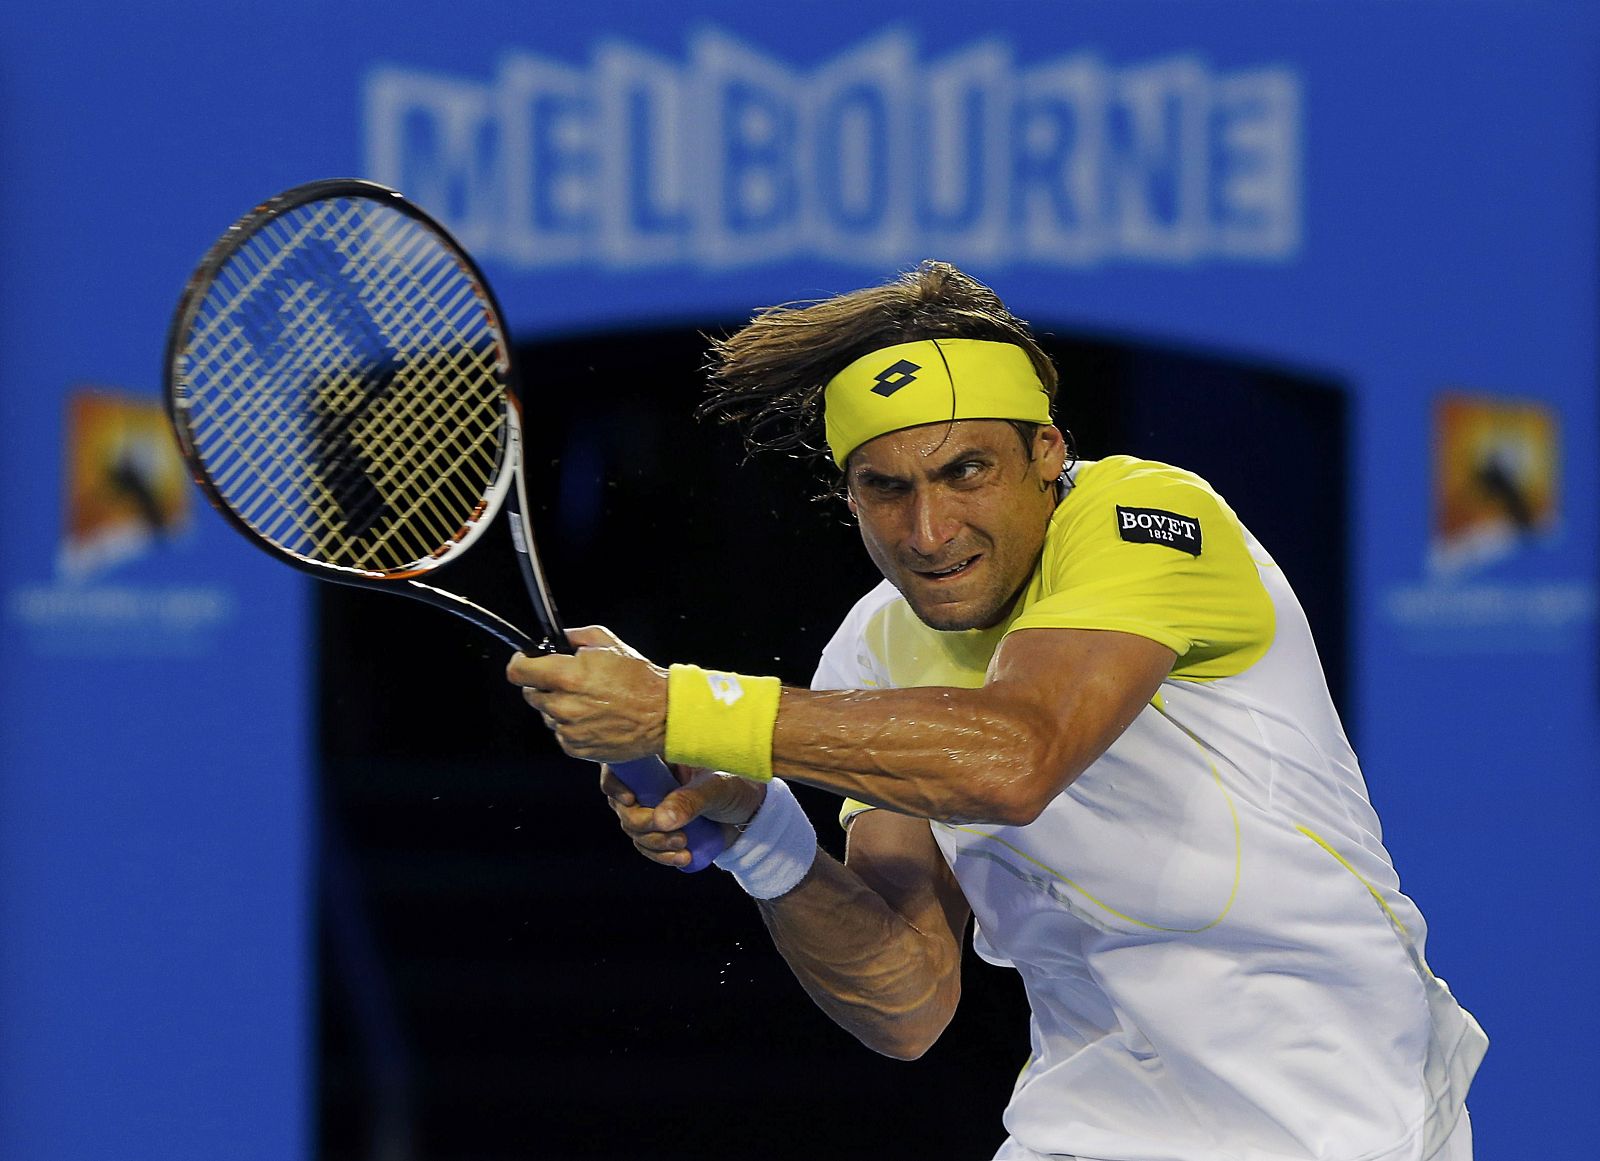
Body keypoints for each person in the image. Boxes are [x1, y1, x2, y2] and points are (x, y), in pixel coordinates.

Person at [506, 262, 1486, 1161]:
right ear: (847, 498)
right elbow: (906, 1000)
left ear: (1047, 452)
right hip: (1088, 1131)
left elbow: (1014, 761)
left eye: (964, 472)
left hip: (1346, 1124)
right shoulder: (871, 647)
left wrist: (681, 705)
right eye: (884, 489)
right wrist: (763, 834)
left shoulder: (1148, 518)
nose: (928, 532)